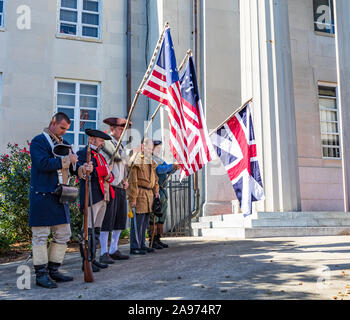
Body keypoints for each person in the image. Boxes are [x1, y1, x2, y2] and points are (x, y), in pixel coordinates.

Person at [29, 112, 79, 289]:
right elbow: (42, 164)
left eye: (66, 129)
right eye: (62, 128)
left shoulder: (64, 144)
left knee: (63, 234)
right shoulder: (38, 141)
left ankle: (53, 270)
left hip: (61, 195)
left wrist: (81, 168)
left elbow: (73, 168)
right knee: (41, 235)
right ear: (53, 122)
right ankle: (41, 274)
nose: (64, 132)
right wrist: (67, 160)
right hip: (42, 195)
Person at [77, 128, 114, 272]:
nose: (102, 144)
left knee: (96, 230)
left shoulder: (101, 156)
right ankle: (86, 261)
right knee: (88, 230)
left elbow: (110, 175)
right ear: (91, 140)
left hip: (103, 196)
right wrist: (105, 171)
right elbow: (86, 174)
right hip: (91, 196)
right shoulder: (83, 154)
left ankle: (93, 258)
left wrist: (107, 173)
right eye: (100, 141)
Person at [98, 117, 132, 264]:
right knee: (107, 220)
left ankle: (114, 249)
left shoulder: (121, 146)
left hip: (120, 187)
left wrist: (125, 180)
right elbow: (115, 159)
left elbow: (124, 167)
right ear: (112, 129)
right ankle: (103, 251)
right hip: (109, 186)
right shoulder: (108, 143)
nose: (122, 132)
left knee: (119, 220)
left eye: (124, 129)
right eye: (120, 129)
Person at [127, 138, 160, 255]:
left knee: (145, 222)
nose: (149, 150)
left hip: (149, 195)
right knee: (137, 222)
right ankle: (134, 246)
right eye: (147, 148)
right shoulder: (137, 159)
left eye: (151, 148)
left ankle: (142, 244)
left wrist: (156, 191)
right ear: (142, 146)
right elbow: (133, 180)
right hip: (139, 193)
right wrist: (133, 198)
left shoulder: (150, 161)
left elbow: (155, 179)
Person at [149, 140, 181, 249]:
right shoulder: (150, 159)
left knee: (161, 216)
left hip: (163, 191)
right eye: (157, 148)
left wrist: (175, 166)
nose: (159, 150)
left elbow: (168, 170)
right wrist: (172, 166)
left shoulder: (160, 160)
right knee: (154, 217)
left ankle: (158, 238)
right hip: (155, 191)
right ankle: (152, 240)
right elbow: (159, 170)